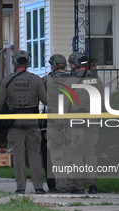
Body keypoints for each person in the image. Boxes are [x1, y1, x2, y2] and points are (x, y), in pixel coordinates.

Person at [0, 50, 47, 194]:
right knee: (35, 154)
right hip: (32, 120)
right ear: (28, 62)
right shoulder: (36, 80)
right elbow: (46, 100)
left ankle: (20, 187)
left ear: (15, 63)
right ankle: (38, 187)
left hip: (14, 120)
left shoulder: (7, 80)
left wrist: (0, 120)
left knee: (18, 155)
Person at [67, 52, 104, 194]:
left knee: (76, 152)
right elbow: (101, 98)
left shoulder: (71, 80)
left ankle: (79, 185)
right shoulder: (96, 78)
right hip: (93, 118)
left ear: (74, 64)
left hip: (76, 120)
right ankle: (93, 185)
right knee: (91, 152)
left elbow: (64, 103)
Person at [42, 54, 72, 193]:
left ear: (53, 66)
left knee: (56, 155)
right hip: (72, 121)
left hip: (53, 121)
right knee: (73, 154)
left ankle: (61, 185)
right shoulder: (74, 80)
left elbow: (40, 99)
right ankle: (75, 185)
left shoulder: (46, 80)